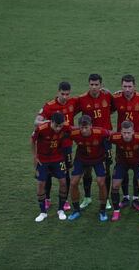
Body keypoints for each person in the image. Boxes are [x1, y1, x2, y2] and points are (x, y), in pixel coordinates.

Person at [34, 81, 78, 211]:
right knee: (47, 172)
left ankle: (64, 201)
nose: (65, 97)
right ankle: (47, 198)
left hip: (66, 145)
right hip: (52, 147)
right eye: (62, 94)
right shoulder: (49, 106)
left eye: (67, 94)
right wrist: (49, 122)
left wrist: (105, 91)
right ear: (58, 92)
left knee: (65, 174)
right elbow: (36, 121)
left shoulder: (73, 102)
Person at [112, 74, 139, 210]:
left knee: (137, 165)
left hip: (138, 139)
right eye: (125, 86)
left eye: (130, 86)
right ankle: (125, 197)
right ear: (121, 86)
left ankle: (136, 198)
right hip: (121, 140)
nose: (127, 89)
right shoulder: (116, 98)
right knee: (123, 165)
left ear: (134, 87)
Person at [77, 74, 113, 210]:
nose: (94, 87)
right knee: (87, 169)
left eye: (96, 84)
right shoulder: (81, 99)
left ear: (101, 85)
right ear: (88, 85)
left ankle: (106, 199)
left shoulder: (108, 96)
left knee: (106, 170)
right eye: (91, 84)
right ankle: (87, 197)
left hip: (104, 139)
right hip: (87, 139)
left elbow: (113, 107)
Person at [68, 115, 110, 222]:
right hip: (81, 159)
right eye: (81, 128)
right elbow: (62, 134)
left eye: (86, 127)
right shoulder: (74, 133)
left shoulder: (100, 132)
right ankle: (76, 210)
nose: (84, 130)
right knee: (73, 183)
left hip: (98, 159)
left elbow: (111, 136)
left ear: (91, 126)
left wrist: (108, 156)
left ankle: (102, 210)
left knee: (101, 183)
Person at [31, 112, 70, 222]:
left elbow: (74, 131)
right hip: (43, 160)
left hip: (58, 158)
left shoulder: (65, 126)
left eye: (60, 126)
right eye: (56, 126)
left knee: (63, 182)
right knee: (40, 184)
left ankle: (61, 210)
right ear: (51, 122)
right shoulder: (42, 128)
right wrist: (35, 156)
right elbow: (32, 140)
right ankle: (43, 212)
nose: (58, 128)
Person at [109, 121, 139, 222]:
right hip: (122, 163)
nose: (126, 135)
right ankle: (116, 211)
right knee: (115, 185)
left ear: (133, 132)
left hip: (138, 163)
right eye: (124, 133)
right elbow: (103, 135)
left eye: (128, 132)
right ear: (120, 132)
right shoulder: (115, 137)